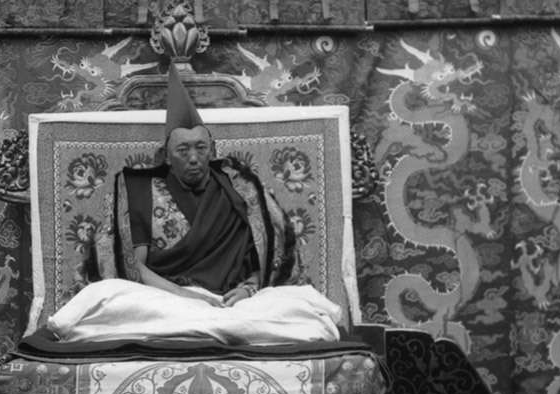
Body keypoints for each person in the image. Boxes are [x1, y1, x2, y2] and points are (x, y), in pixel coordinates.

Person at [47, 64, 342, 345]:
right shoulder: (139, 189)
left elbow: (267, 260)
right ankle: (219, 327)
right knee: (109, 296)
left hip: (231, 299)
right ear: (165, 154)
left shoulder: (240, 187)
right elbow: (134, 268)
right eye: (183, 149)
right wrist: (184, 296)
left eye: (201, 148)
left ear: (212, 150)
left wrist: (249, 287)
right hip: (162, 297)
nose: (193, 157)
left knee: (301, 304)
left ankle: (216, 325)